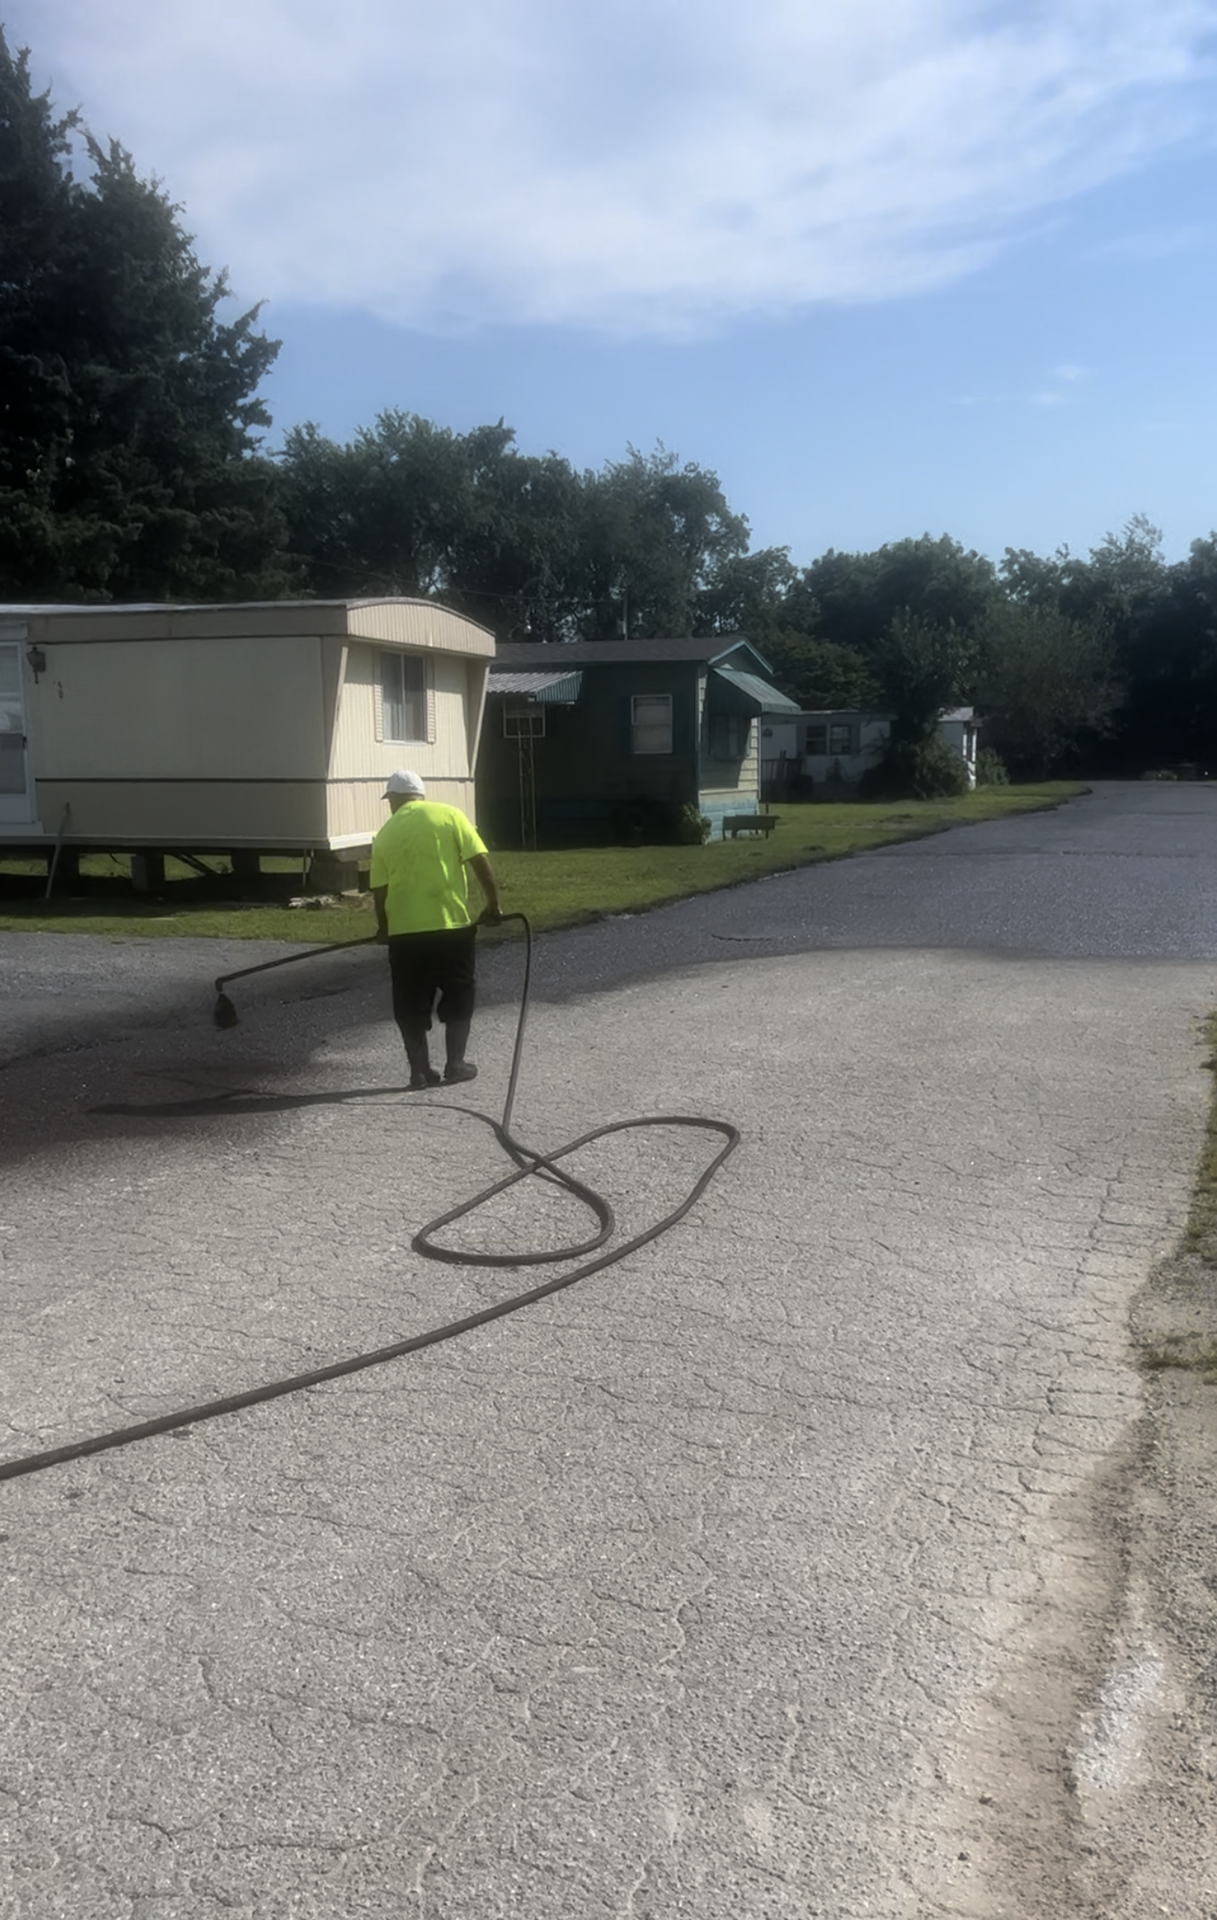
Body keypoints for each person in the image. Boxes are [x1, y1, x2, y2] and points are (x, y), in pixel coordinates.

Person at [369, 770, 503, 1090]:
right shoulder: (450, 815)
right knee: (459, 993)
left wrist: (384, 928)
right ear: (420, 795)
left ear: (396, 799)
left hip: (405, 935)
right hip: (451, 928)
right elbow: (479, 860)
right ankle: (455, 1064)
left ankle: (419, 1071)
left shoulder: (385, 834)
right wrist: (493, 904)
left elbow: (380, 892)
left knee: (408, 1001)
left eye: (391, 800)